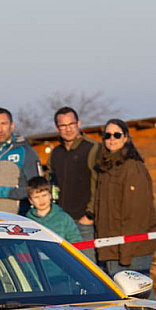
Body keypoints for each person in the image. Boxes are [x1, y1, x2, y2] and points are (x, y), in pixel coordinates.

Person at [92, 119, 156, 278]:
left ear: (125, 138)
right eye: (107, 135)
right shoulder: (105, 169)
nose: (112, 139)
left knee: (137, 291)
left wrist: (126, 253)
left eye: (117, 135)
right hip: (111, 248)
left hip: (133, 250)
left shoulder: (133, 168)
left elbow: (137, 214)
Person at [47, 106, 100, 250]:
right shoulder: (55, 153)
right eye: (63, 126)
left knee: (87, 262)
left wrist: (90, 215)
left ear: (79, 123)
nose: (68, 129)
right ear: (57, 128)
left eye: (71, 124)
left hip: (85, 223)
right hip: (62, 222)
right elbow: (51, 184)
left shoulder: (92, 148)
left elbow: (100, 184)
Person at [0, 108, 40, 213]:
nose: (0, 129)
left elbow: (37, 190)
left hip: (16, 218)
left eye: (3, 124)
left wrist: (2, 192)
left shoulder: (25, 151)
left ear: (12, 125)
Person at [24, 176, 82, 244]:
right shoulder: (27, 221)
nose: (41, 200)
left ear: (50, 195)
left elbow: (76, 242)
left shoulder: (64, 218)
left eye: (44, 195)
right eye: (36, 197)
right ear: (30, 200)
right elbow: (22, 245)